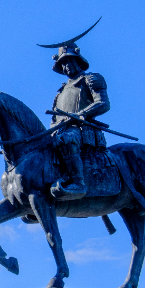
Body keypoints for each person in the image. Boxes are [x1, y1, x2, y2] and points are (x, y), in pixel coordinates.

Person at [48, 42, 110, 200]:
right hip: (62, 130)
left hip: (83, 130)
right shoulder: (60, 92)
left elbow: (103, 103)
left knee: (67, 139)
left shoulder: (91, 79)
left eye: (69, 60)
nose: (67, 65)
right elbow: (54, 118)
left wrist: (81, 114)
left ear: (78, 60)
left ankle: (78, 183)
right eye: (63, 63)